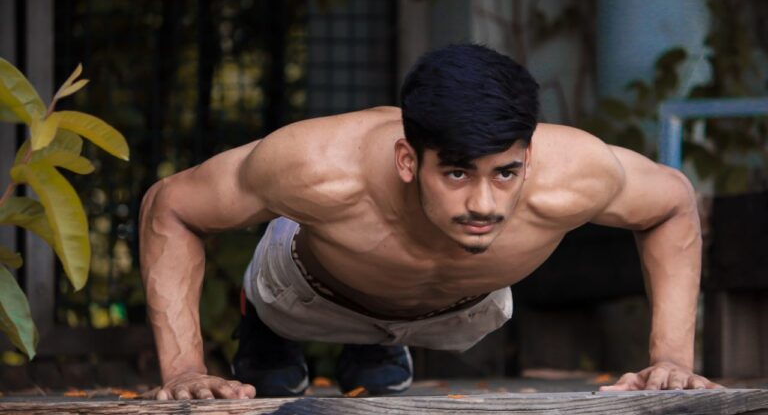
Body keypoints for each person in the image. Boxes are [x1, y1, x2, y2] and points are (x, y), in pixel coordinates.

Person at [139, 44, 721, 400]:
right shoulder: (318, 168)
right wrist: (185, 368)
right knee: (274, 358)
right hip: (307, 290)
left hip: (465, 312)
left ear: (529, 157)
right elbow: (172, 205)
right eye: (459, 174)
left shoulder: (577, 173)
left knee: (390, 366)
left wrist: (671, 358)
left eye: (506, 174)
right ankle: (267, 335)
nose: (485, 205)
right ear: (408, 160)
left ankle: (378, 350)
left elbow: (672, 201)